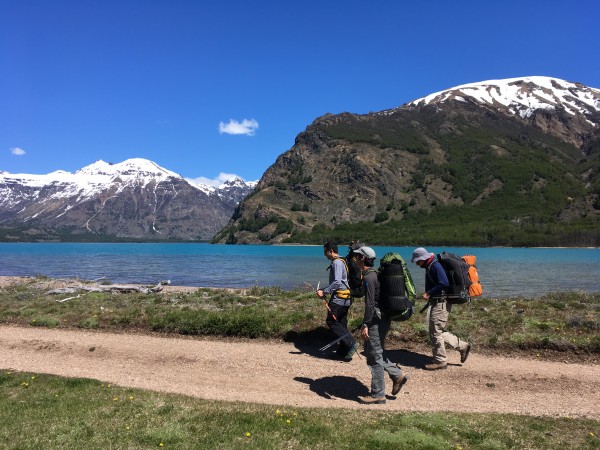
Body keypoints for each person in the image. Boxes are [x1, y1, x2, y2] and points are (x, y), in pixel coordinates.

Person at [356, 246, 408, 404]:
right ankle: (397, 375)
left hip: (375, 321)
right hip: (383, 318)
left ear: (363, 259)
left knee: (374, 356)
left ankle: (378, 394)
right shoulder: (374, 274)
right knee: (374, 352)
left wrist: (365, 324)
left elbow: (370, 304)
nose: (355, 259)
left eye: (357, 256)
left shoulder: (368, 278)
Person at [411, 247, 472, 370]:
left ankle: (440, 361)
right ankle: (462, 346)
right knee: (436, 331)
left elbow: (444, 282)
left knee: (435, 332)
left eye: (418, 261)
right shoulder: (431, 265)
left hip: (441, 303)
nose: (417, 264)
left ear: (423, 258)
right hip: (439, 302)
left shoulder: (435, 266)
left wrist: (429, 293)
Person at [316, 241, 359, 361]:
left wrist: (323, 291)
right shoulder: (343, 261)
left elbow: (337, 282)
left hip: (339, 298)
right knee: (341, 323)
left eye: (325, 252)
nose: (325, 255)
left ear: (331, 251)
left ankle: (351, 343)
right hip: (346, 298)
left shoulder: (337, 263)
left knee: (331, 321)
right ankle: (342, 351)